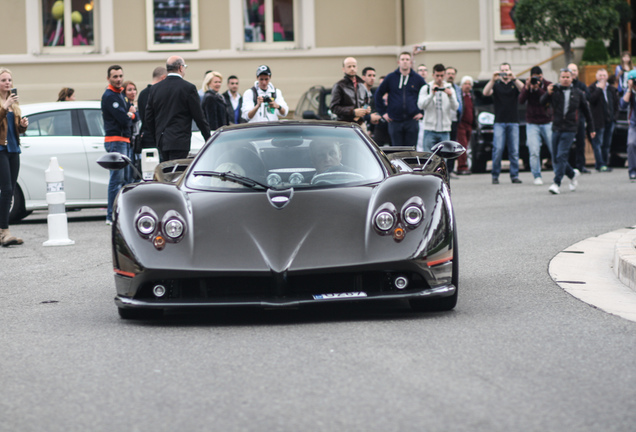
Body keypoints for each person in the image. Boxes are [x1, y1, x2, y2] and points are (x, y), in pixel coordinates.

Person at [145, 56, 211, 161]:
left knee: (166, 174)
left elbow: (148, 117)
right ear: (180, 68)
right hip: (180, 140)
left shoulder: (155, 88)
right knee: (177, 174)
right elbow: (199, 117)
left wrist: (157, 136)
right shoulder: (188, 88)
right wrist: (208, 138)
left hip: (162, 140)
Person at [541, 68, 595, 194]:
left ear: (572, 79)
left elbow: (587, 112)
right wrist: (547, 93)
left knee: (562, 155)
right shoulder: (554, 91)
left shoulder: (578, 93)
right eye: (563, 77)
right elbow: (542, 103)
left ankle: (556, 183)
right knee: (555, 158)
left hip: (570, 128)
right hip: (556, 127)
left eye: (568, 77)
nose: (565, 79)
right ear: (559, 78)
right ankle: (572, 174)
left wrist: (591, 129)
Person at [101, 65, 135, 225]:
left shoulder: (120, 95)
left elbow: (131, 115)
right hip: (115, 140)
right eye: (115, 76)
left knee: (127, 179)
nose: (118, 79)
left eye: (120, 76)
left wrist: (130, 114)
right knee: (117, 179)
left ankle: (122, 214)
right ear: (108, 78)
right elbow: (124, 118)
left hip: (124, 140)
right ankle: (111, 215)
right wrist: (130, 114)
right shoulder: (109, 96)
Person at [482, 62, 524, 184]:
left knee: (514, 150)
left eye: (507, 70)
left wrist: (514, 78)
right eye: (502, 70)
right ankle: (495, 175)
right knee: (498, 149)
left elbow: (523, 90)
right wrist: (492, 80)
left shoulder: (514, 84)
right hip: (499, 121)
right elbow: (485, 92)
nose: (505, 73)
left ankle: (514, 175)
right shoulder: (496, 85)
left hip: (513, 121)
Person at [0, 68, 28, 246]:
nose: (8, 83)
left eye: (9, 80)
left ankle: (3, 230)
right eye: (4, 80)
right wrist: (5, 106)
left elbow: (15, 129)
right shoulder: (5, 103)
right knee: (7, 190)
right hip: (0, 149)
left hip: (13, 150)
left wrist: (23, 125)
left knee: (8, 193)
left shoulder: (15, 104)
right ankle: (5, 231)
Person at [374, 52, 425, 147]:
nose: (405, 62)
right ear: (398, 62)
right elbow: (378, 94)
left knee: (411, 151)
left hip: (412, 120)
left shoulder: (417, 79)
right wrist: (383, 113)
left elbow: (427, 94)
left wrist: (422, 112)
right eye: (402, 59)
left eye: (407, 60)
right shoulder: (391, 77)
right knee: (397, 150)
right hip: (394, 120)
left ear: (411, 62)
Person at [518, 65, 553, 185]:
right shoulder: (528, 85)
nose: (536, 80)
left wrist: (538, 89)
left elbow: (548, 99)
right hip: (532, 122)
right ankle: (537, 175)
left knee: (554, 149)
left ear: (542, 76)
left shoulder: (548, 84)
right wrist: (527, 87)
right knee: (534, 150)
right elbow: (521, 100)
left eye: (538, 78)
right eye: (534, 78)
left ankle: (560, 172)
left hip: (547, 121)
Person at [417, 64, 458, 152]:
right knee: (428, 158)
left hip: (445, 130)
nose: (439, 78)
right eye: (437, 75)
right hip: (429, 129)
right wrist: (431, 94)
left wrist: (450, 96)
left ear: (445, 75)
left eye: (442, 76)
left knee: (444, 158)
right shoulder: (426, 88)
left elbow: (455, 107)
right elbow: (421, 105)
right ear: (433, 75)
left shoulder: (449, 88)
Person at [588, 69, 619, 172]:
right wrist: (599, 89)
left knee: (607, 144)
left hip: (610, 121)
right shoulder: (592, 88)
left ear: (607, 77)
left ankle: (604, 163)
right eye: (600, 75)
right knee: (597, 143)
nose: (602, 77)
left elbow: (616, 104)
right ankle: (600, 164)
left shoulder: (611, 89)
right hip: (598, 121)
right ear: (596, 77)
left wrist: (614, 118)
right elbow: (591, 99)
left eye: (604, 75)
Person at [330, 57, 370, 128]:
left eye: (354, 66)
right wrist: (352, 112)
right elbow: (334, 107)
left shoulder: (361, 85)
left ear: (357, 68)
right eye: (349, 66)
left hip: (360, 124)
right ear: (343, 69)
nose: (352, 68)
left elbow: (366, 102)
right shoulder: (339, 85)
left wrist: (366, 109)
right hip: (345, 125)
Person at [568, 63, 591, 173]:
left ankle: (580, 165)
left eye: (575, 70)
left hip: (580, 117)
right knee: (567, 142)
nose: (573, 72)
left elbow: (588, 97)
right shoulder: (565, 85)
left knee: (581, 142)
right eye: (570, 70)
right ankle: (568, 166)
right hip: (568, 119)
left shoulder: (581, 85)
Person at [137, 66, 167, 150]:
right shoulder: (159, 93)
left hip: (146, 137)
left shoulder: (142, 94)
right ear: (163, 78)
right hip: (157, 137)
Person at [455, 76, 476, 175]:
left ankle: (465, 164)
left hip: (469, 124)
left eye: (469, 84)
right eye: (465, 84)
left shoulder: (471, 96)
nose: (467, 86)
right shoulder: (460, 97)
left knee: (467, 146)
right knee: (462, 146)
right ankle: (461, 166)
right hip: (461, 124)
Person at [619, 71, 636, 180]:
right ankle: (632, 171)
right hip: (634, 124)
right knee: (630, 144)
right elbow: (623, 105)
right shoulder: (629, 91)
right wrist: (630, 88)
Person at [122, 80, 140, 180]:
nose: (133, 92)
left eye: (134, 89)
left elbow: (137, 117)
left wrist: (133, 114)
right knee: (129, 172)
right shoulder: (125, 105)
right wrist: (132, 115)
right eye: (129, 90)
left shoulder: (135, 106)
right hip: (128, 141)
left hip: (137, 142)